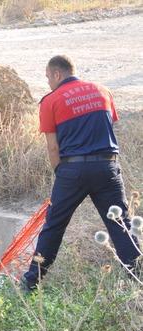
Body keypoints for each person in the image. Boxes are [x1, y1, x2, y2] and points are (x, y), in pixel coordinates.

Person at [21, 55, 140, 291]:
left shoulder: (50, 101)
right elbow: (109, 126)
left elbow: (52, 146)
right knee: (120, 223)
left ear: (57, 74)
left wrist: (62, 173)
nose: (47, 83)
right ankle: (137, 277)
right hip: (107, 166)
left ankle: (31, 282)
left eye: (47, 77)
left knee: (54, 225)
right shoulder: (102, 91)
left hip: (72, 169)